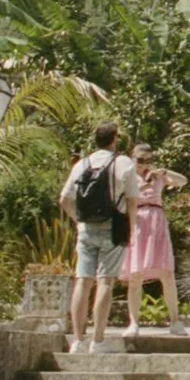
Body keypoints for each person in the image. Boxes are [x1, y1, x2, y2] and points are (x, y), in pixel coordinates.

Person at [57, 122, 137, 355]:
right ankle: (98, 341)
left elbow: (64, 200)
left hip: (86, 229)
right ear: (114, 139)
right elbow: (132, 201)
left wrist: (79, 221)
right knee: (105, 281)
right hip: (114, 228)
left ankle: (77, 341)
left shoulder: (82, 164)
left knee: (83, 281)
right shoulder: (123, 163)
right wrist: (131, 229)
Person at [119, 144, 190, 340]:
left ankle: (175, 320)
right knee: (135, 275)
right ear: (132, 159)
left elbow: (182, 181)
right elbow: (121, 198)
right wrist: (142, 185)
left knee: (167, 273)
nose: (144, 165)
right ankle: (133, 322)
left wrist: (163, 172)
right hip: (137, 221)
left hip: (156, 220)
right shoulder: (127, 176)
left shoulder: (157, 176)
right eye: (140, 160)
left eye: (148, 160)